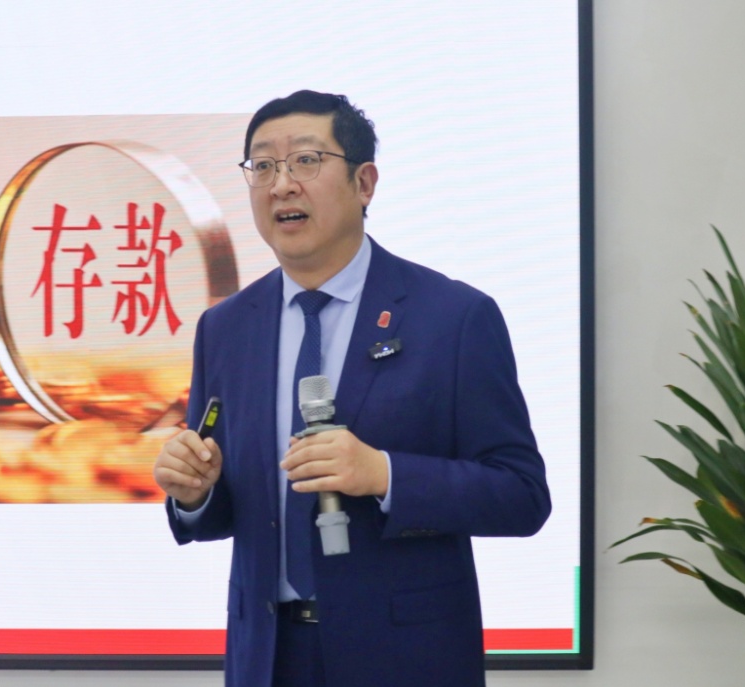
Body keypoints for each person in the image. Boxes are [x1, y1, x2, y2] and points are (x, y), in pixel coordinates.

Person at [153, 90, 550, 687]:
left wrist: (384, 474)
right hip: (267, 658)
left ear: (364, 183)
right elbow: (226, 510)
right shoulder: (226, 327)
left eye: (306, 160)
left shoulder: (453, 317)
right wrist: (194, 494)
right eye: (263, 166)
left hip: (404, 660)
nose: (281, 185)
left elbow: (521, 495)